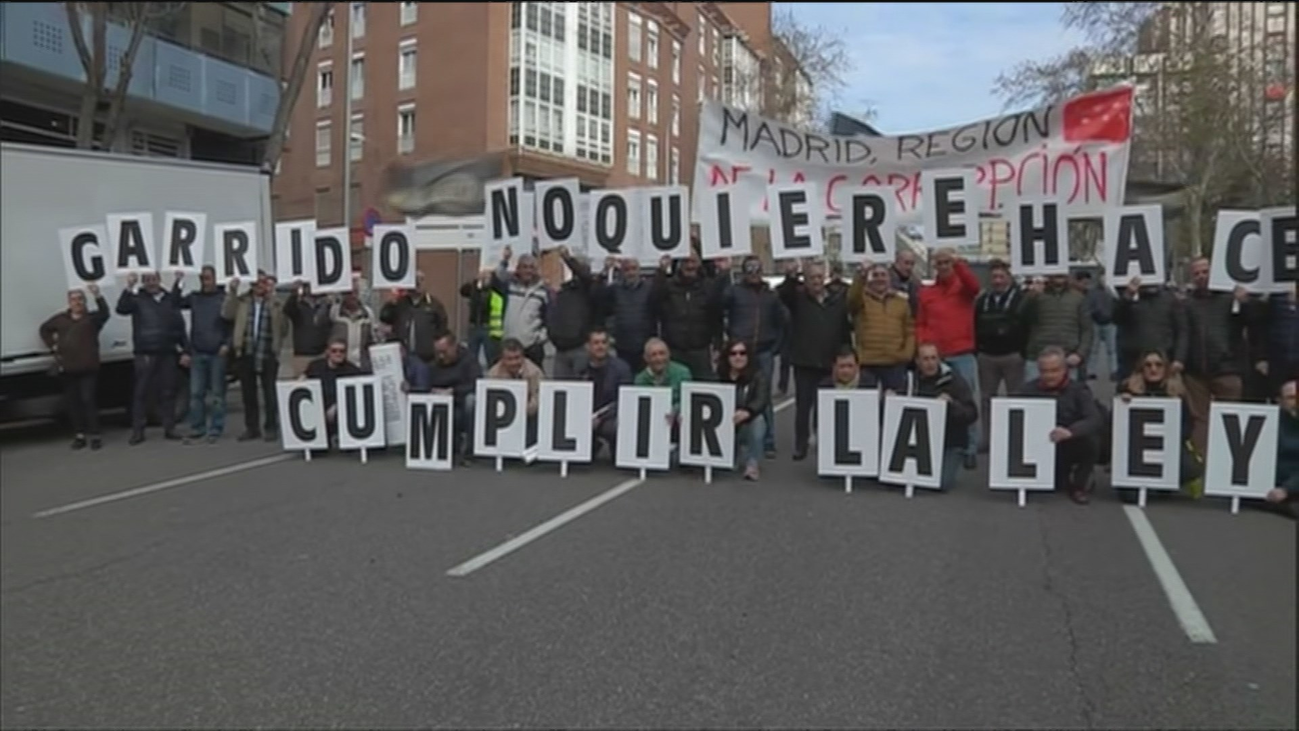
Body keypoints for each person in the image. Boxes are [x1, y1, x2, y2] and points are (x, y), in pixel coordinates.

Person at [777, 260, 851, 461]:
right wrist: (791, 276)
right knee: (803, 406)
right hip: (804, 361)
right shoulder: (797, 299)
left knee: (825, 405)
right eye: (811, 278)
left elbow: (845, 330)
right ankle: (800, 444)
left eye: (819, 277)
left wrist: (845, 355)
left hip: (829, 362)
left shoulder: (837, 300)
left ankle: (823, 439)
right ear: (805, 280)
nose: (816, 281)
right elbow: (783, 293)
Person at [916, 248, 982, 469]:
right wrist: (923, 343)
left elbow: (975, 286)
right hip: (937, 356)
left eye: (947, 262)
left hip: (962, 353)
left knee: (966, 401)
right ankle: (937, 442)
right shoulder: (927, 293)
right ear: (934, 266)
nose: (943, 266)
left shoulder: (963, 287)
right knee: (935, 400)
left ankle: (969, 448)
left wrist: (960, 265)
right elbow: (921, 322)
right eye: (939, 263)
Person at [1181, 258, 1253, 452]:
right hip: (1196, 373)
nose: (1201, 276)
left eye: (1205, 271)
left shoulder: (1231, 299)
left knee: (1231, 419)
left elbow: (1253, 322)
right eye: (1196, 273)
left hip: (1228, 369)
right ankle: (1200, 468)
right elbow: (1183, 334)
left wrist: (1245, 303)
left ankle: (1226, 465)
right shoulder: (1187, 304)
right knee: (1200, 422)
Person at [715, 255, 784, 457]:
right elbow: (717, 306)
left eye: (757, 270)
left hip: (763, 351)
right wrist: (723, 274)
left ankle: (768, 441)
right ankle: (732, 437)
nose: (754, 274)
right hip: (738, 350)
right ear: (744, 272)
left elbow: (782, 321)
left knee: (764, 397)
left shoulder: (771, 295)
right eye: (750, 270)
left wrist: (775, 347)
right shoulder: (734, 291)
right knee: (732, 394)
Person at [1017, 346, 1104, 505]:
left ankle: (1080, 485)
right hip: (1042, 445)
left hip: (1070, 441)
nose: (1049, 376)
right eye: (1044, 371)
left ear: (1065, 369)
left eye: (1054, 370)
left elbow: (1094, 419)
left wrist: (1071, 431)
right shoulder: (1027, 390)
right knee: (1056, 485)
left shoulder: (1079, 390)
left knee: (1092, 439)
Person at [1115, 348, 1203, 501]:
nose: (1153, 369)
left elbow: (1187, 427)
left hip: (1168, 449)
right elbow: (1115, 426)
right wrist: (1125, 402)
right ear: (1141, 368)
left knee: (1191, 468)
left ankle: (1173, 481)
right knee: (1129, 496)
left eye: (1158, 365)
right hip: (1137, 452)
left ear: (1166, 368)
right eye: (1148, 365)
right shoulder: (1128, 389)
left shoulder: (1177, 393)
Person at [117, 271, 190, 445]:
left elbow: (179, 327)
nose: (151, 283)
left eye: (154, 279)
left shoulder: (169, 299)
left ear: (159, 280)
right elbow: (121, 309)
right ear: (143, 282)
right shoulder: (137, 299)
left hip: (168, 352)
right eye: (147, 280)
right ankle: (138, 431)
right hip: (145, 352)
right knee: (141, 393)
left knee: (168, 392)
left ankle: (170, 428)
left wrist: (186, 350)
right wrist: (129, 286)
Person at [39, 284, 111, 450]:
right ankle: (79, 435)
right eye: (73, 299)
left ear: (84, 302)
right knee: (73, 403)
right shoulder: (61, 319)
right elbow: (44, 329)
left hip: (88, 368)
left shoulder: (92, 320)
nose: (76, 302)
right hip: (68, 368)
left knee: (88, 400)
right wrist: (52, 345)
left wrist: (98, 295)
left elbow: (105, 314)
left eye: (80, 299)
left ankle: (95, 435)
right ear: (69, 302)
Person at [223, 273, 287, 442]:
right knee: (248, 393)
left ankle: (271, 426)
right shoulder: (243, 301)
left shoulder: (275, 303)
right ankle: (252, 427)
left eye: (263, 282)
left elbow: (284, 328)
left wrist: (274, 300)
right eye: (257, 282)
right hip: (246, 351)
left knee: (269, 393)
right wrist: (232, 291)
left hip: (267, 351)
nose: (260, 285)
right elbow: (227, 314)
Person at [907, 342, 978, 491]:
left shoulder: (954, 380)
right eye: (925, 359)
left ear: (939, 360)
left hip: (951, 442)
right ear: (917, 361)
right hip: (921, 443)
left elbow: (972, 413)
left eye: (933, 358)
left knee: (941, 484)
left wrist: (952, 405)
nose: (930, 363)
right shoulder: (910, 381)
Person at [974, 260, 1027, 453]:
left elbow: (1028, 325)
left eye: (1001, 276)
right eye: (994, 277)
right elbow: (975, 325)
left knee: (1015, 400)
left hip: (1013, 356)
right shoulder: (983, 300)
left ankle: (1013, 440)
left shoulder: (1021, 298)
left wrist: (1023, 351)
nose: (997, 281)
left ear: (1009, 277)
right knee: (987, 400)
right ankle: (988, 439)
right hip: (987, 356)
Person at [174, 266, 231, 444]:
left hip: (217, 353)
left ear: (215, 279)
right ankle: (198, 427)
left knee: (216, 394)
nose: (205, 282)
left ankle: (216, 428)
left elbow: (232, 323)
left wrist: (227, 344)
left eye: (208, 278)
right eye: (202, 279)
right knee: (196, 393)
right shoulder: (195, 298)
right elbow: (174, 302)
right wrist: (178, 282)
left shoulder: (223, 299)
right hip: (198, 352)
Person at [847, 262, 914, 392]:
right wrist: (861, 276)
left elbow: (909, 329)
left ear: (889, 279)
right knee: (868, 406)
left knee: (893, 405)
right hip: (868, 362)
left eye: (883, 275)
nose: (880, 278)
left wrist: (907, 353)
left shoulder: (901, 302)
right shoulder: (860, 300)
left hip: (894, 362)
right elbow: (852, 299)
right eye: (875, 275)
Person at [650, 253, 719, 380]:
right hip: (675, 349)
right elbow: (653, 301)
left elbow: (716, 315)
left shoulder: (708, 286)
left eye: (693, 261)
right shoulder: (668, 285)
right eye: (686, 262)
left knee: (702, 388)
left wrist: (718, 345)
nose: (690, 265)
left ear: (699, 263)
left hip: (700, 350)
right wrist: (661, 272)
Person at [1112, 275, 1187, 383]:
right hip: (1133, 363)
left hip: (1164, 362)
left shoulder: (1171, 299)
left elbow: (1182, 330)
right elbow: (1116, 318)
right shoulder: (1127, 298)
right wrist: (1127, 297)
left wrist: (1179, 358)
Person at [716, 338, 771, 481]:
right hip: (723, 423)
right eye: (733, 353)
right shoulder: (718, 375)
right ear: (727, 357)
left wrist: (748, 411)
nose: (738, 357)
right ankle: (728, 456)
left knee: (758, 421)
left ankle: (752, 463)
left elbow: (762, 399)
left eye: (742, 353)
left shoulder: (758, 376)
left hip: (746, 421)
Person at [1021, 274, 1093, 382]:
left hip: (1068, 358)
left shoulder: (1078, 298)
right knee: (1034, 396)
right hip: (1037, 357)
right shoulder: (1036, 295)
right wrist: (1030, 296)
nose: (1059, 275)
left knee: (1067, 396)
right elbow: (1021, 317)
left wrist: (1080, 354)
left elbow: (1087, 329)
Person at [379, 269, 450, 371]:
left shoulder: (434, 305)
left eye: (421, 280)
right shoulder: (400, 303)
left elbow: (442, 328)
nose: (417, 283)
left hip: (427, 359)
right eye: (414, 280)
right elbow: (384, 318)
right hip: (402, 358)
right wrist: (391, 303)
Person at [579, 328, 633, 459]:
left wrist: (600, 416)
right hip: (584, 416)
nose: (600, 346)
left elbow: (626, 400)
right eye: (596, 343)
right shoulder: (580, 367)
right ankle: (591, 445)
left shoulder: (621, 368)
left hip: (611, 417)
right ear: (588, 346)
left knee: (616, 427)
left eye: (604, 342)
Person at [548, 247, 601, 379]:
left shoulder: (590, 288)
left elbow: (584, 276)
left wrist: (568, 259)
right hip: (560, 349)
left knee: (580, 388)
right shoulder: (563, 291)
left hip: (579, 348)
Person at [426, 332, 481, 458]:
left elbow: (476, 383)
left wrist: (453, 391)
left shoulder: (469, 360)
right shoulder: (433, 364)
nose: (440, 356)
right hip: (440, 401)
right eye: (438, 352)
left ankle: (469, 447)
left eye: (444, 352)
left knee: (471, 400)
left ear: (454, 347)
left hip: (461, 401)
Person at [302, 336, 365, 449]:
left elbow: (355, 396)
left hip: (340, 409)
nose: (338, 354)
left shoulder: (352, 370)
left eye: (342, 351)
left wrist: (336, 406)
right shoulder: (315, 366)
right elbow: (303, 380)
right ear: (327, 352)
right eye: (334, 351)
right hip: (318, 405)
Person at [493, 247, 550, 368]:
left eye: (531, 267)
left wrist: (540, 338)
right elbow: (497, 277)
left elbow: (550, 318)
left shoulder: (543, 292)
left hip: (531, 347)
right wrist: (505, 259)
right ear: (518, 269)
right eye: (524, 267)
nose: (528, 271)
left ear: (536, 270)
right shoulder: (509, 287)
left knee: (534, 382)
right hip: (509, 346)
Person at [600, 257, 656, 374]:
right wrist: (604, 271)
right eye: (627, 269)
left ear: (639, 270)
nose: (631, 273)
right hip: (622, 346)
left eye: (634, 269)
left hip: (645, 346)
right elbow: (597, 298)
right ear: (621, 272)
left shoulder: (650, 288)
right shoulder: (614, 289)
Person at [486, 337, 545, 443]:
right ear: (502, 359)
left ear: (523, 357)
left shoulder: (534, 372)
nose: (514, 363)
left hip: (528, 413)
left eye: (517, 358)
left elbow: (539, 398)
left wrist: (521, 410)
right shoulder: (493, 374)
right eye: (509, 359)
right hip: (500, 417)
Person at [635, 337, 693, 431]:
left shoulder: (683, 373)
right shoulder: (640, 380)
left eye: (662, 353)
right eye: (654, 355)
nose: (659, 358)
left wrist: (675, 410)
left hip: (679, 419)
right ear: (646, 358)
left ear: (669, 354)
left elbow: (687, 399)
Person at [283, 282, 334, 378]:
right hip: (303, 355)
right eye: (308, 286)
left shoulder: (327, 306)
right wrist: (294, 293)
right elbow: (288, 310)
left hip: (322, 355)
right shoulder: (298, 306)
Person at [459, 267, 505, 368]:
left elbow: (501, 289)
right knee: (471, 357)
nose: (485, 279)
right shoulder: (475, 289)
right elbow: (463, 291)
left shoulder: (495, 290)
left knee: (492, 357)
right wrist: (476, 280)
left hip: (488, 327)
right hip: (474, 327)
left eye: (487, 277)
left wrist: (492, 277)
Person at [1266, 380, 1299, 518]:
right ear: (1279, 401)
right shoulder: (1270, 423)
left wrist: (1287, 489)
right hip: (1278, 481)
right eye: (1291, 398)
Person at [329, 284, 376, 372]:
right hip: (340, 364)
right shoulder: (335, 311)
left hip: (361, 365)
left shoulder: (368, 314)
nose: (352, 296)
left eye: (355, 292)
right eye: (348, 293)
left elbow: (373, 339)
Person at [1080, 272, 1117, 381]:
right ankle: (1091, 371)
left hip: (1110, 322)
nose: (1104, 280)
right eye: (1102, 278)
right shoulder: (1092, 292)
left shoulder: (1113, 291)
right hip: (1095, 322)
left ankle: (1114, 371)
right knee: (1093, 349)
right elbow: (1088, 306)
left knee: (1112, 350)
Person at [889, 249, 921, 315]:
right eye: (906, 263)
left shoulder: (916, 283)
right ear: (896, 262)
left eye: (912, 264)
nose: (909, 267)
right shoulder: (885, 281)